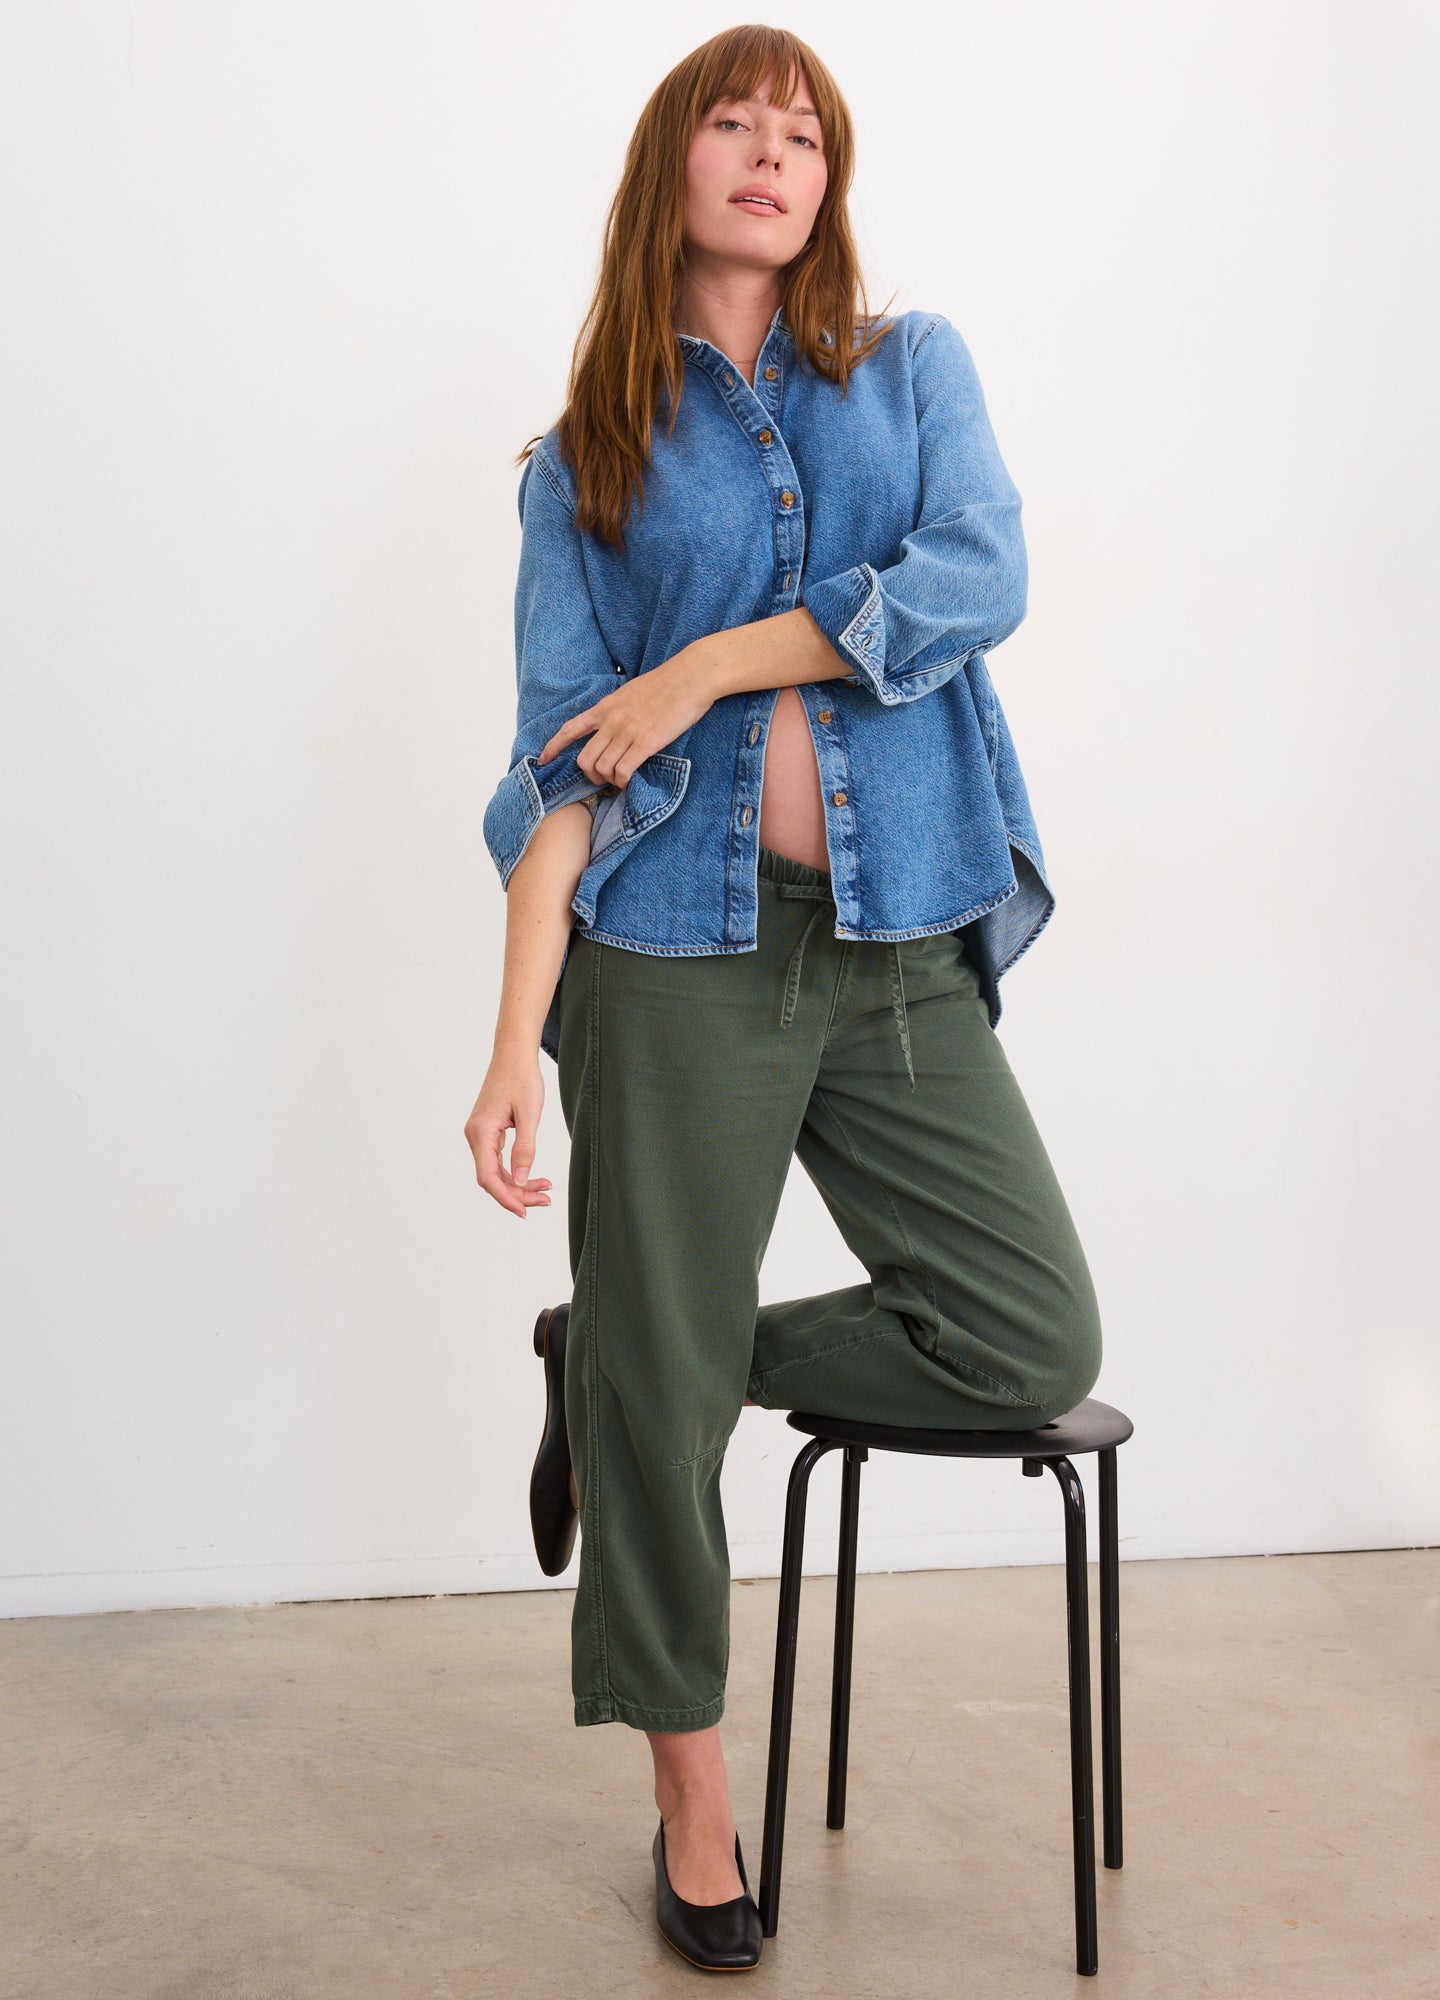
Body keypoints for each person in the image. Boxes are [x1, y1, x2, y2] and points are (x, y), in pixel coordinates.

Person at [463, 25, 1104, 1972]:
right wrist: (512, 1037)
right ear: (671, 166)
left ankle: (639, 1353)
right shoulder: (583, 456)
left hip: (901, 932)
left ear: (831, 178)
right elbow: (552, 772)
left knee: (1024, 1332)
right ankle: (695, 1812)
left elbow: (975, 573)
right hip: (673, 957)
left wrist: (705, 667)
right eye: (733, 125)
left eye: (802, 131)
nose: (772, 154)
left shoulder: (910, 366)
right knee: (668, 1412)